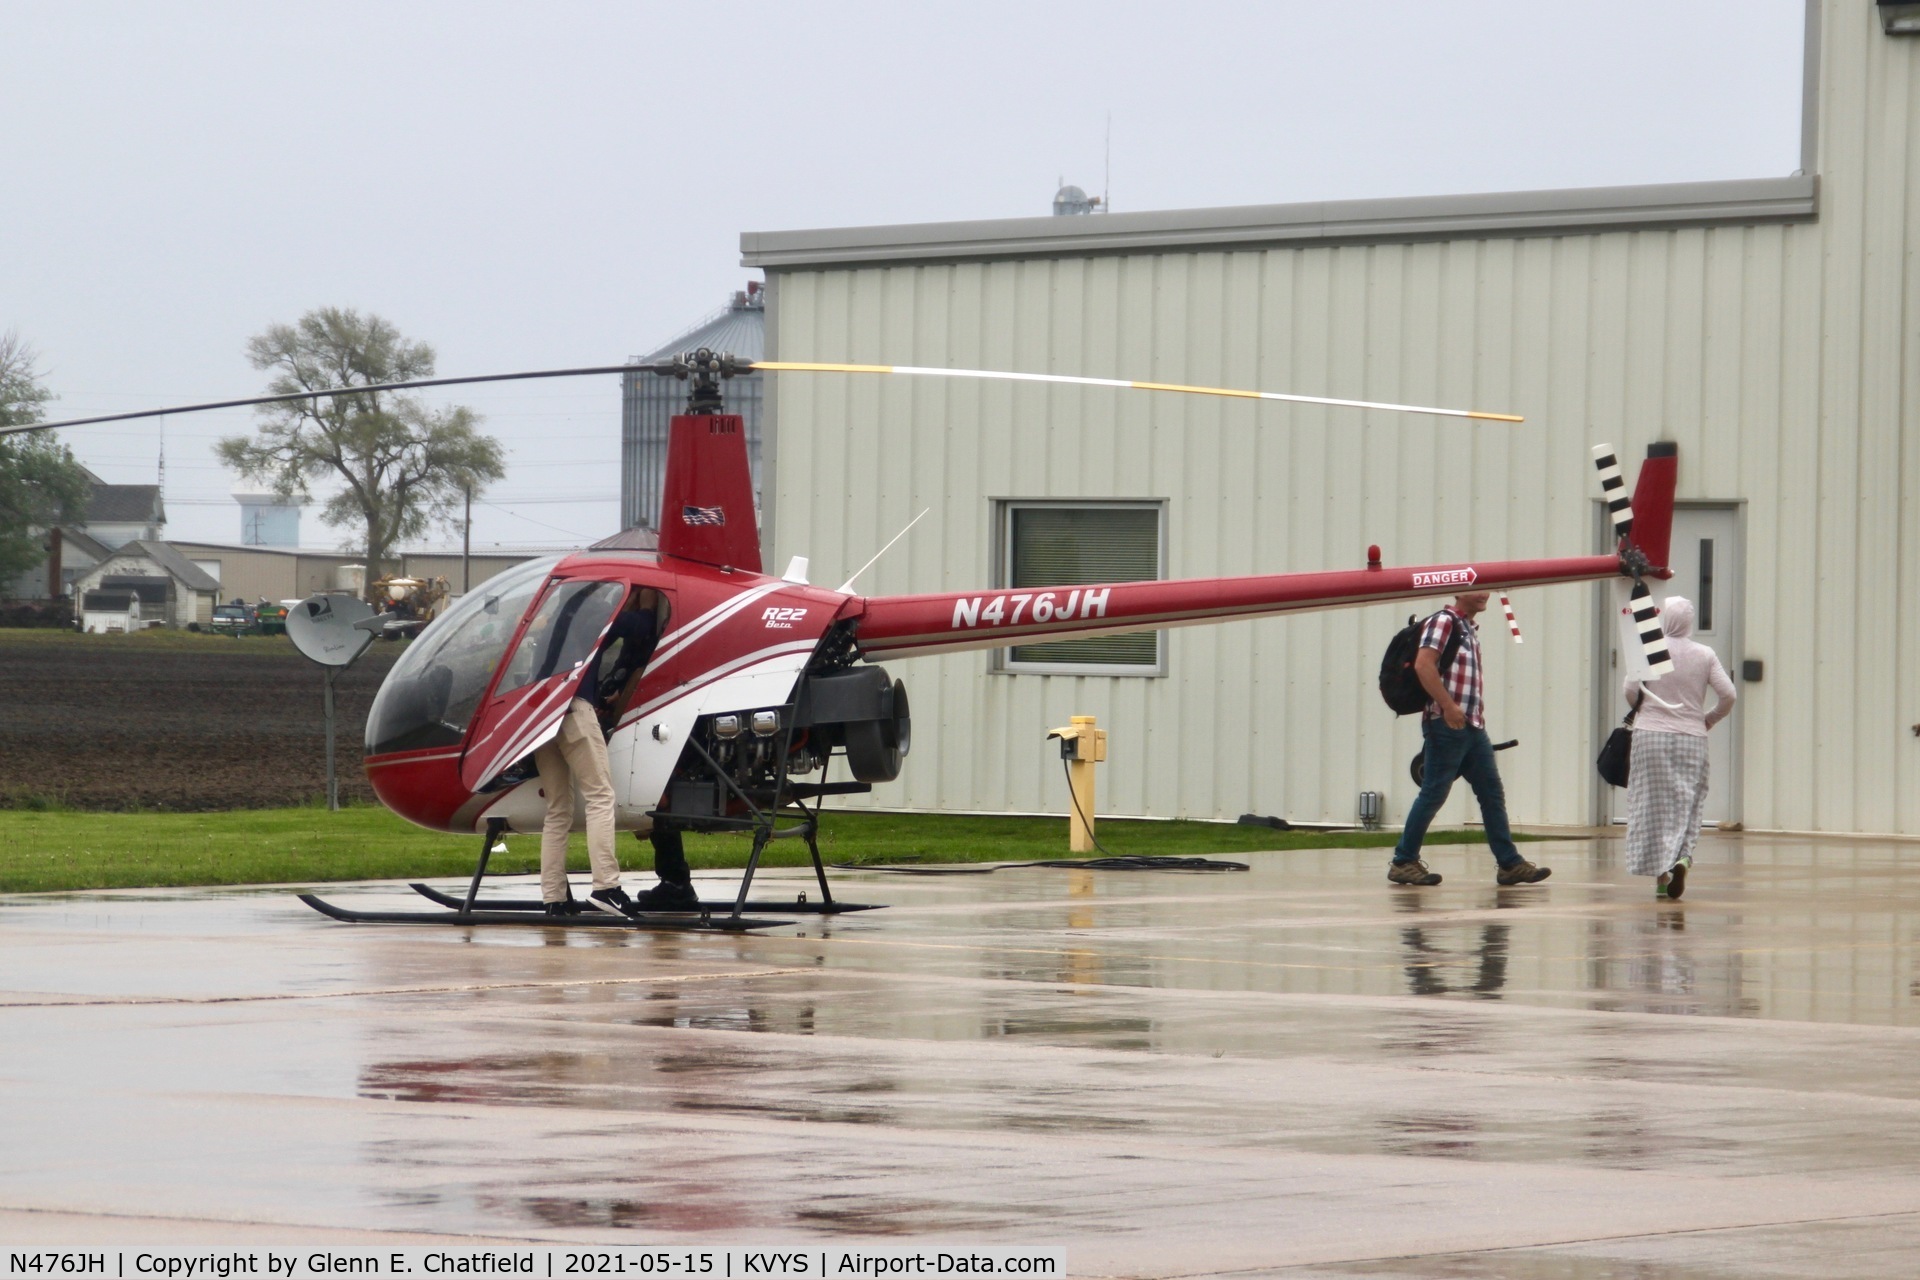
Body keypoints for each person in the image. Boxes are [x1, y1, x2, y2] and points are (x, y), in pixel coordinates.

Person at [1388, 591, 1551, 887]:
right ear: (1458, 592)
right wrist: (1448, 707)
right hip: (1445, 724)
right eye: (1476, 587)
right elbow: (1425, 665)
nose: (1483, 593)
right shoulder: (1444, 622)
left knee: (1491, 794)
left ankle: (1510, 864)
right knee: (1434, 793)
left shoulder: (1468, 629)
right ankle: (1403, 860)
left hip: (1472, 727)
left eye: (1486, 587)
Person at [534, 587, 662, 918]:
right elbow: (640, 629)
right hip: (574, 710)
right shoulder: (590, 613)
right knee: (601, 796)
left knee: (558, 808)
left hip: (541, 713)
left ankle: (554, 898)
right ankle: (606, 888)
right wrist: (647, 604)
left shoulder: (558, 622)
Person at [1623, 596, 1735, 901]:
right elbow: (1729, 695)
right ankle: (1682, 858)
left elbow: (1631, 690)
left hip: (1651, 737)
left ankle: (1661, 878)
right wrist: (1707, 720)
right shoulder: (1705, 654)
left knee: (1652, 805)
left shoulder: (1649, 648)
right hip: (1691, 737)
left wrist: (1648, 712)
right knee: (1688, 802)